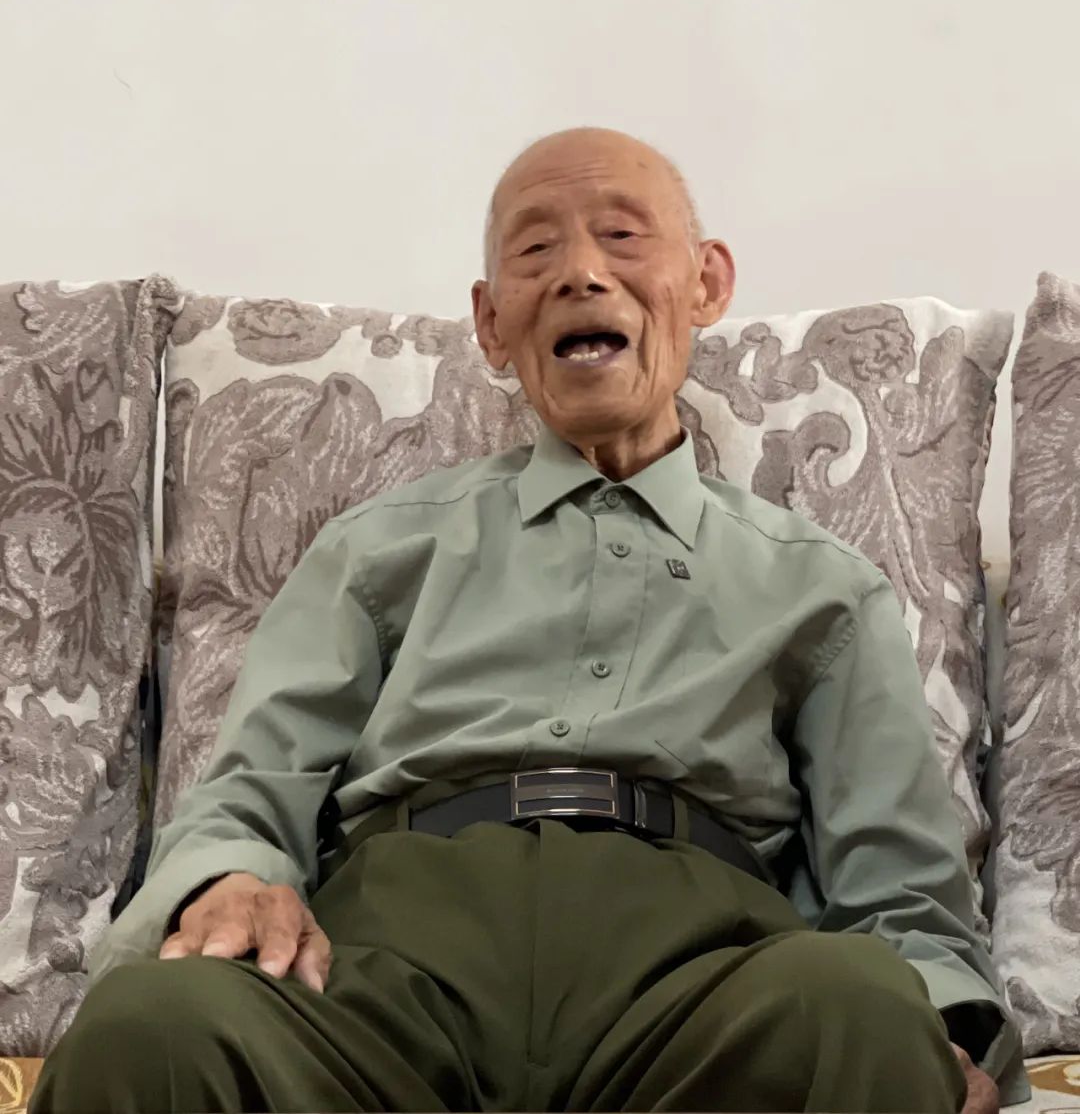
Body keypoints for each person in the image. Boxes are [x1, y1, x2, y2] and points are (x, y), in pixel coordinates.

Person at [32, 127, 1023, 1114]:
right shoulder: (377, 548)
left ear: (707, 282)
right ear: (492, 322)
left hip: (702, 978)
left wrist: (938, 1023)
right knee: (150, 1029)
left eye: (623, 236)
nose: (581, 272)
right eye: (536, 248)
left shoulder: (824, 587)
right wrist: (232, 878)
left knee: (859, 1009)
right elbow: (251, 787)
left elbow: (900, 884)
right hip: (386, 972)